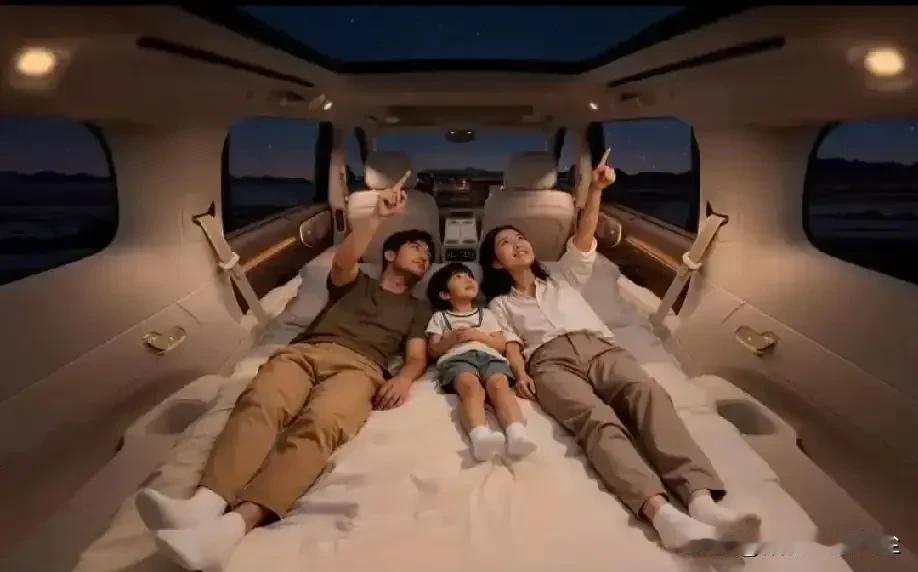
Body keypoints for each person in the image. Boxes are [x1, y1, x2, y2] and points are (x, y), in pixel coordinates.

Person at [135, 172, 434, 571]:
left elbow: (415, 356)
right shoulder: (354, 282)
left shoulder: (417, 309)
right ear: (391, 255)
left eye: (428, 254)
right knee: (261, 402)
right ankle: (205, 505)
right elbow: (344, 259)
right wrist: (377, 217)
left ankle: (233, 527)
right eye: (416, 247)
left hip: (361, 368)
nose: (424, 256)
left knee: (322, 423)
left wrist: (404, 378)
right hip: (306, 352)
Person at [479, 150, 761, 553]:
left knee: (648, 394)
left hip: (599, 346)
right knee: (597, 420)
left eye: (520, 238)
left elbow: (583, 237)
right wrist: (521, 372)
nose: (518, 244)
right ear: (495, 262)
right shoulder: (499, 303)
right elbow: (509, 341)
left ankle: (702, 501)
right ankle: (662, 515)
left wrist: (595, 190)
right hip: (549, 361)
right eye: (506, 243)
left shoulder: (562, 274)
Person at [425, 262, 537, 461]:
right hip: (457, 358)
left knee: (499, 385)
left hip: (490, 357)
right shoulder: (440, 317)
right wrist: (450, 340)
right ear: (445, 294)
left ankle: (517, 434)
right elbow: (433, 350)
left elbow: (501, 345)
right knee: (470, 386)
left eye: (469, 276)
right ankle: (480, 437)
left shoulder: (487, 314)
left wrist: (479, 336)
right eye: (458, 277)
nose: (468, 279)